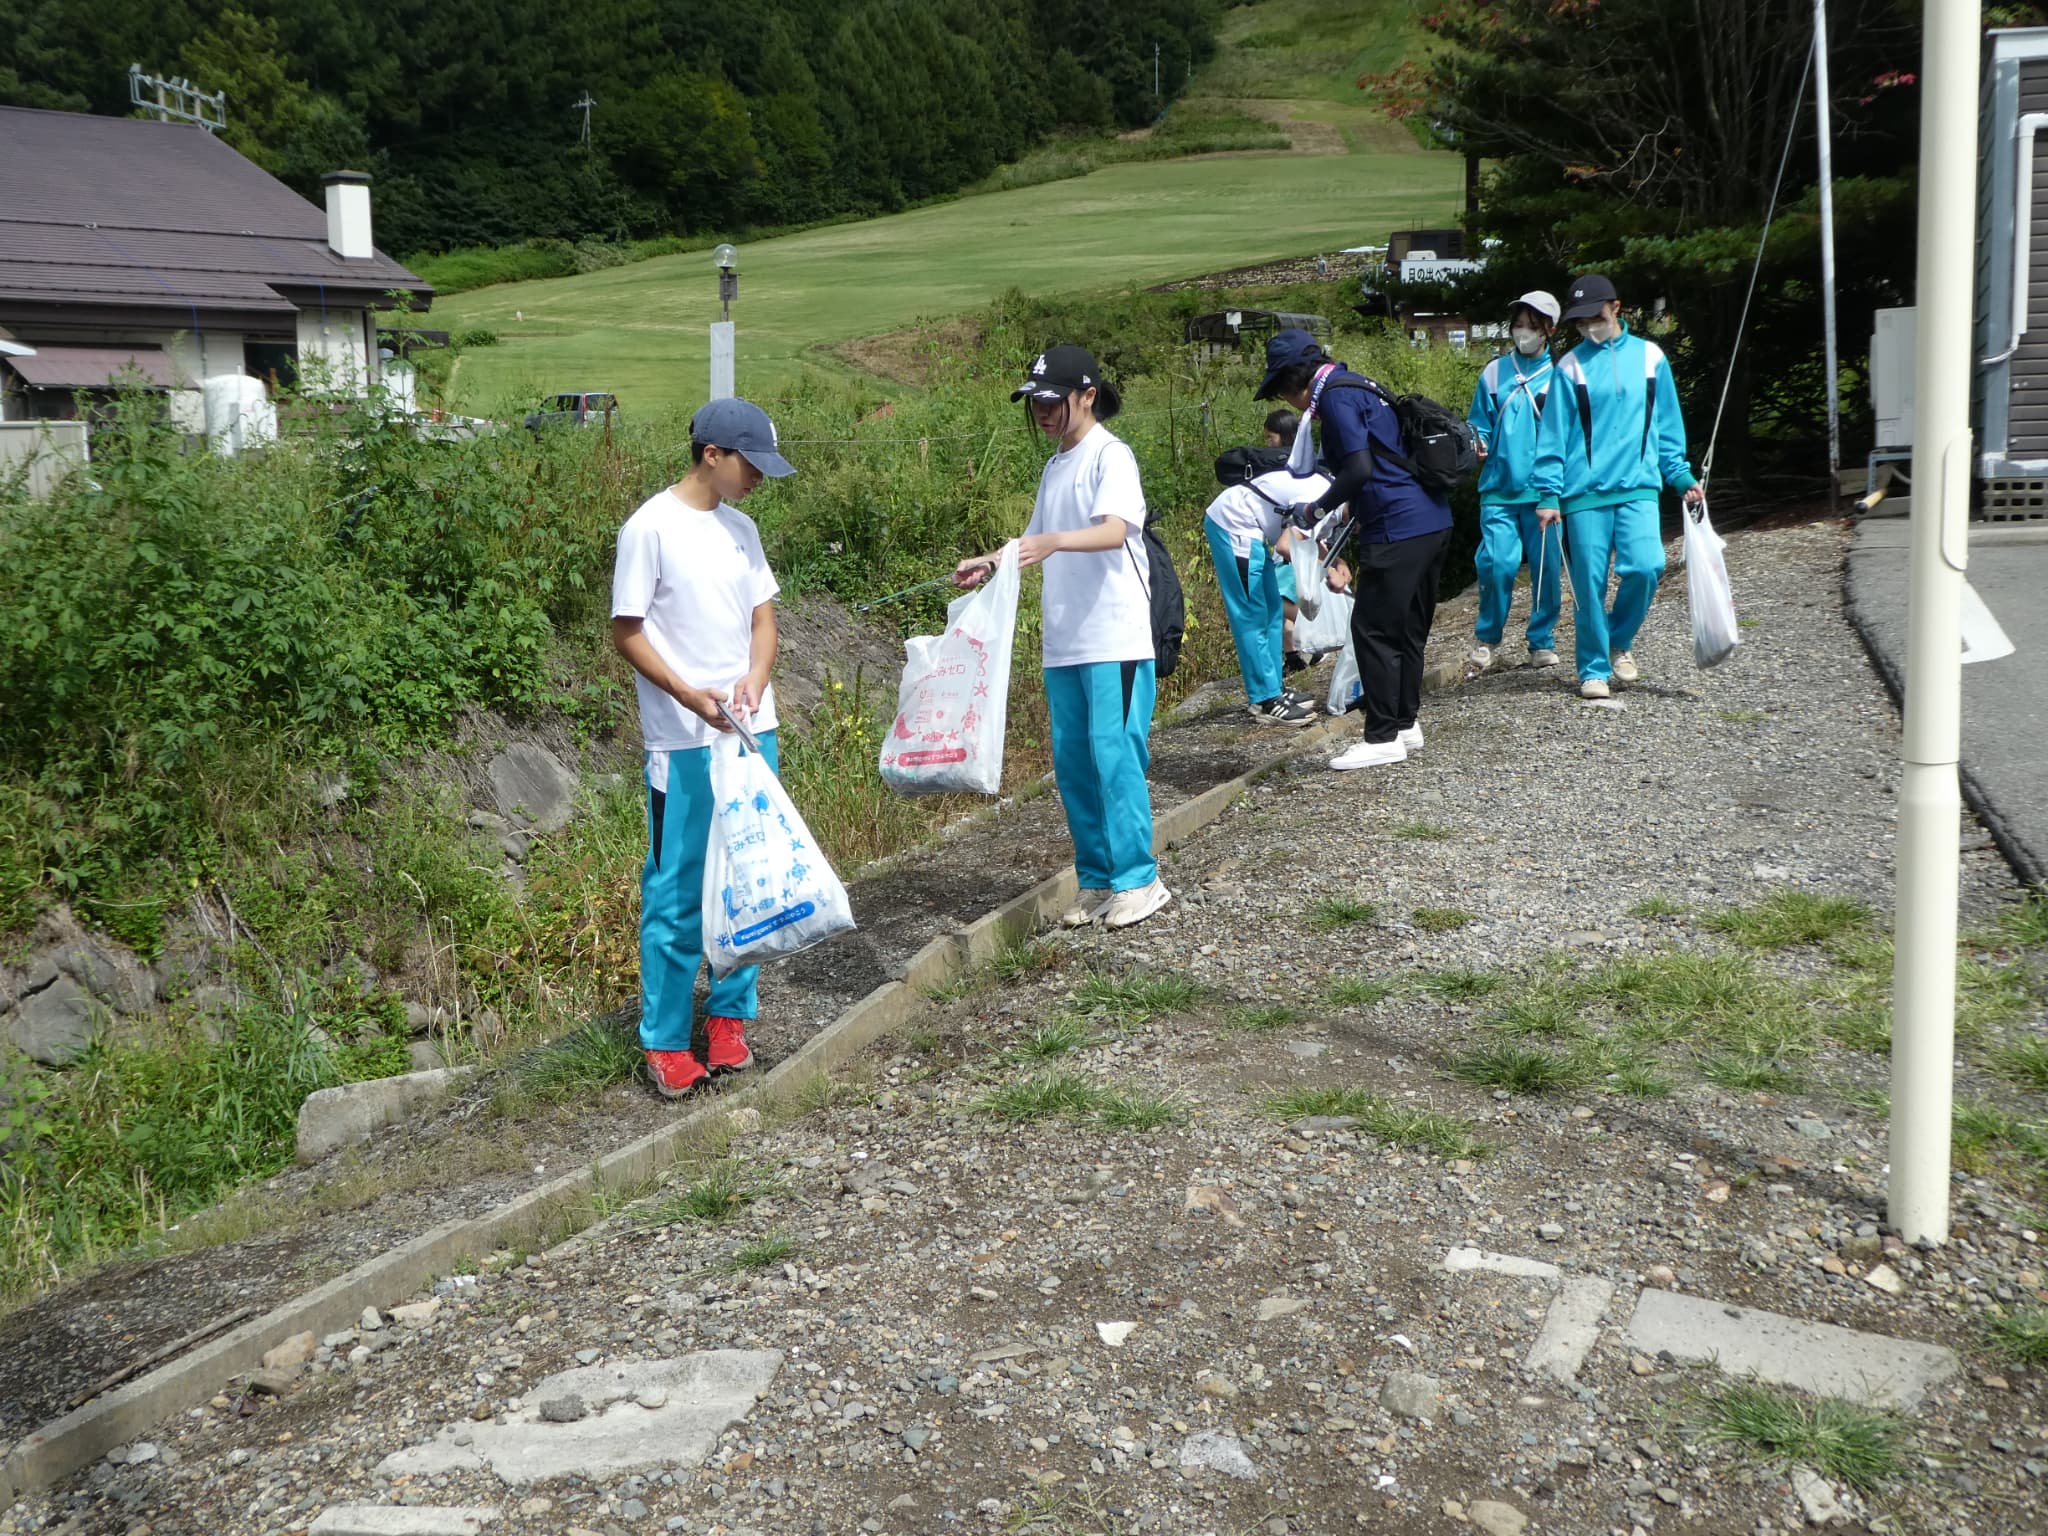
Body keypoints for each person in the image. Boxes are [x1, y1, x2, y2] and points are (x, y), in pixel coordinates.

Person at [611, 397, 795, 1098]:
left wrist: (756, 678)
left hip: (750, 732)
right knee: (677, 890)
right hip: (682, 739)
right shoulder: (649, 529)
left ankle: (728, 1017)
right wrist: (689, 695)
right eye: (752, 464)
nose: (759, 478)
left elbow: (763, 622)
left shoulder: (742, 529)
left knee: (747, 877)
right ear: (711, 454)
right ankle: (663, 1040)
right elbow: (628, 631)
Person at [955, 345, 1170, 931]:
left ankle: (1140, 879)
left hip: (1114, 637)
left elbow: (1115, 530)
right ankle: (1097, 877)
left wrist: (1052, 542)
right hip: (1065, 641)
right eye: (1035, 402)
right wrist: (989, 562)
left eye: (1053, 401)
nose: (1043, 412)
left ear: (1087, 396)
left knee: (1115, 757)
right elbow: (1032, 539)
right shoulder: (1055, 465)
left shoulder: (1110, 455)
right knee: (1074, 763)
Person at [1254, 328, 1454, 771]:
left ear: (1292, 381)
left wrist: (1316, 508)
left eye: (1281, 391)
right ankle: (1405, 723)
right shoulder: (1360, 384)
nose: (1288, 403)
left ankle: (1382, 737)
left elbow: (1359, 468)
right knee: (1408, 628)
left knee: (1372, 630)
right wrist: (1351, 507)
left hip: (1397, 526)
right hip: (1432, 519)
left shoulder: (1334, 397)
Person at [1532, 274, 1705, 700]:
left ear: (1616, 308)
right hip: (1583, 494)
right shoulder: (1569, 367)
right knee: (1588, 584)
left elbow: (1667, 424)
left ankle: (1618, 639)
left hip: (1639, 487)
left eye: (1595, 316)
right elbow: (1553, 435)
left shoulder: (1650, 358)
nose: (1589, 326)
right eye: (1580, 321)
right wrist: (1548, 493)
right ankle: (1593, 669)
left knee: (1648, 566)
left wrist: (1679, 475)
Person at [1466, 291, 1565, 676]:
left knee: (1546, 568)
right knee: (1496, 563)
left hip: (1544, 491)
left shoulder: (1560, 376)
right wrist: (1478, 442)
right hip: (1499, 488)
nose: (1522, 333)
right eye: (1518, 325)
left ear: (1549, 330)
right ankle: (1488, 637)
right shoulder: (1493, 373)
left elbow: (1567, 435)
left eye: (1531, 326)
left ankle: (1542, 640)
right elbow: (1480, 422)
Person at [1202, 455, 1332, 725]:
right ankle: (1265, 700)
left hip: (1251, 529)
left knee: (1273, 610)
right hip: (1233, 525)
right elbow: (1286, 546)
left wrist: (1334, 563)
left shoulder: (1334, 493)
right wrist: (1325, 570)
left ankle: (1275, 687)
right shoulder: (1325, 498)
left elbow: (1310, 536)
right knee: (1253, 614)